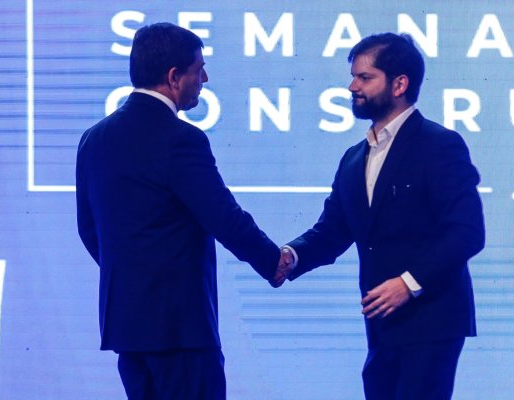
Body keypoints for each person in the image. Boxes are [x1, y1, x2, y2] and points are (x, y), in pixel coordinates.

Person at [76, 22, 288, 399]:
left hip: (128, 330)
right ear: (174, 77)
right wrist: (273, 261)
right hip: (179, 331)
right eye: (198, 68)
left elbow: (89, 231)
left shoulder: (94, 138)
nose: (204, 77)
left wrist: (134, 276)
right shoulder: (180, 139)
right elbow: (223, 216)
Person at [278, 33, 486, 399]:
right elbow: (333, 230)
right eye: (353, 76)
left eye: (364, 77)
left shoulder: (439, 145)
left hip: (431, 322)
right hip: (381, 325)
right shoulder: (354, 157)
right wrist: (290, 257)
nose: (352, 86)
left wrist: (408, 283)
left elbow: (467, 233)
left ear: (399, 83)